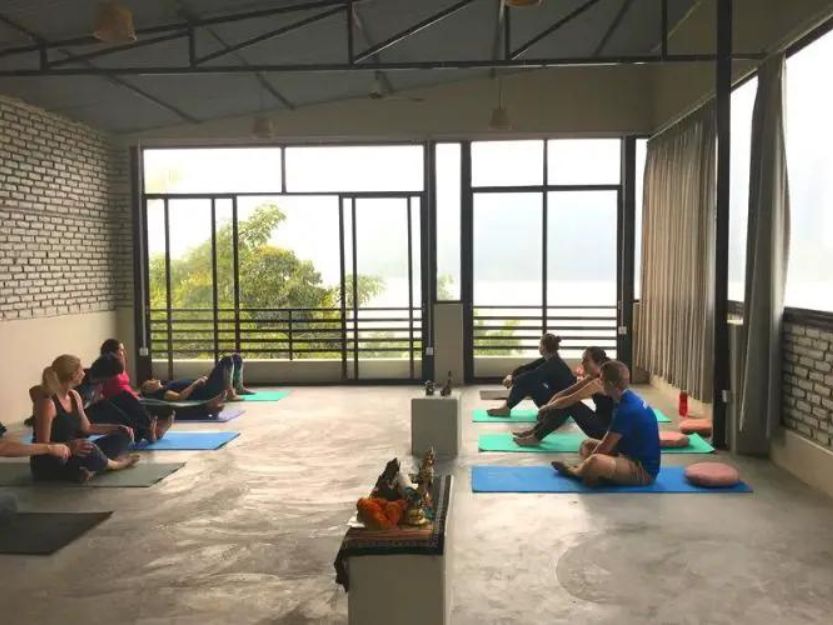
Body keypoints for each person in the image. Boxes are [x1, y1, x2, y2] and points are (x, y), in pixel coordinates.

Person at [30, 354, 140, 483]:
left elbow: (88, 428)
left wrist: (116, 428)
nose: (84, 373)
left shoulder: (74, 396)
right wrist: (69, 446)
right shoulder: (48, 404)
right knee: (89, 447)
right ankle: (116, 465)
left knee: (122, 435)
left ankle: (90, 469)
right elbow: (42, 445)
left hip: (75, 451)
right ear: (73, 376)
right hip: (52, 459)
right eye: (81, 370)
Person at [551, 360, 660, 487]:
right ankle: (592, 473)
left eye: (601, 380)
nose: (599, 382)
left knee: (595, 460)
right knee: (586, 445)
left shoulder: (626, 409)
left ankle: (574, 472)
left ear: (610, 384)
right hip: (625, 454)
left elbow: (604, 447)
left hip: (642, 471)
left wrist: (584, 465)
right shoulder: (625, 398)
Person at [512, 347, 614, 446]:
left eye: (586, 360)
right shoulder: (591, 377)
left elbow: (572, 398)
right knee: (563, 402)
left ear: (599, 362)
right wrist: (549, 405)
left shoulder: (600, 383)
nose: (582, 364)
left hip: (608, 433)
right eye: (582, 360)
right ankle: (535, 432)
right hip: (599, 423)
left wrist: (548, 407)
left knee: (569, 404)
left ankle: (535, 437)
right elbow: (565, 392)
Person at [486, 334, 575, 417]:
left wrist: (513, 381)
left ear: (543, 347)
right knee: (525, 377)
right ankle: (506, 407)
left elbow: (532, 376)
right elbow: (525, 368)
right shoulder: (549, 359)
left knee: (527, 380)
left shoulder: (554, 364)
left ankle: (506, 408)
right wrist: (510, 376)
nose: (538, 347)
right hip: (555, 402)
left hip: (560, 408)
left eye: (539, 344)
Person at [140, 353, 253, 405]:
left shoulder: (165, 385)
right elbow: (180, 398)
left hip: (206, 385)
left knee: (236, 358)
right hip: (207, 391)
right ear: (149, 389)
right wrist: (195, 383)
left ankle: (239, 388)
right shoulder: (162, 392)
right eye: (150, 381)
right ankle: (230, 394)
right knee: (227, 359)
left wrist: (200, 380)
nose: (153, 379)